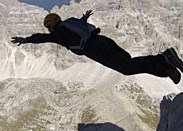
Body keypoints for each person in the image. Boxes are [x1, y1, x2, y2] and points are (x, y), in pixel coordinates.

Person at [11, 10, 183, 84]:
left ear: (51, 25)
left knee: (126, 68)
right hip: (103, 40)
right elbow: (81, 23)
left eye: (49, 26)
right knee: (128, 62)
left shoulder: (59, 33)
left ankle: (164, 58)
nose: (49, 29)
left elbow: (43, 38)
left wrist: (26, 39)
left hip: (95, 49)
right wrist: (84, 17)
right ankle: (166, 68)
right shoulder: (70, 22)